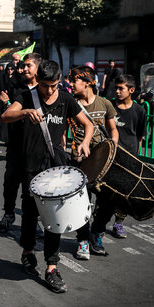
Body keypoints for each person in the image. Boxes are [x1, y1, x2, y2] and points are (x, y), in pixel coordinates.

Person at [1, 60, 92, 293]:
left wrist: (85, 142)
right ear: (38, 81)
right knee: (30, 214)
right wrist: (25, 112)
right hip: (30, 166)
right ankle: (28, 252)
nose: (49, 90)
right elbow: (6, 115)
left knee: (55, 218)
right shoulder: (28, 95)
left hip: (55, 167)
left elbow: (88, 124)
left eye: (53, 85)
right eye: (44, 85)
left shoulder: (66, 99)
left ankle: (52, 267)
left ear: (59, 81)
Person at [68, 65, 119, 259]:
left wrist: (112, 148)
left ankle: (96, 233)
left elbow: (113, 130)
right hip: (80, 162)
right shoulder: (71, 104)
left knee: (109, 201)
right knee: (82, 205)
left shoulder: (105, 104)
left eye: (74, 81)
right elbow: (64, 134)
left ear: (88, 82)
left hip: (103, 163)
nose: (70, 84)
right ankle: (82, 241)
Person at [0, 53, 41, 232]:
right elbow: (8, 113)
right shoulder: (16, 87)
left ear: (38, 67)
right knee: (11, 180)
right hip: (16, 141)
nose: (24, 69)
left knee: (33, 185)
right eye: (23, 66)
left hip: (36, 144)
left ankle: (32, 220)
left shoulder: (45, 89)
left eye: (28, 66)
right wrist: (6, 103)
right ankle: (8, 213)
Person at [110, 74, 146, 238]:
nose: (117, 91)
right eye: (116, 88)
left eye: (121, 88)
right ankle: (97, 225)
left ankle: (119, 222)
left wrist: (134, 157)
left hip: (130, 158)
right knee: (106, 193)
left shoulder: (139, 111)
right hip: (110, 157)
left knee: (125, 193)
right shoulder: (109, 106)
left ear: (131, 90)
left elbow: (140, 136)